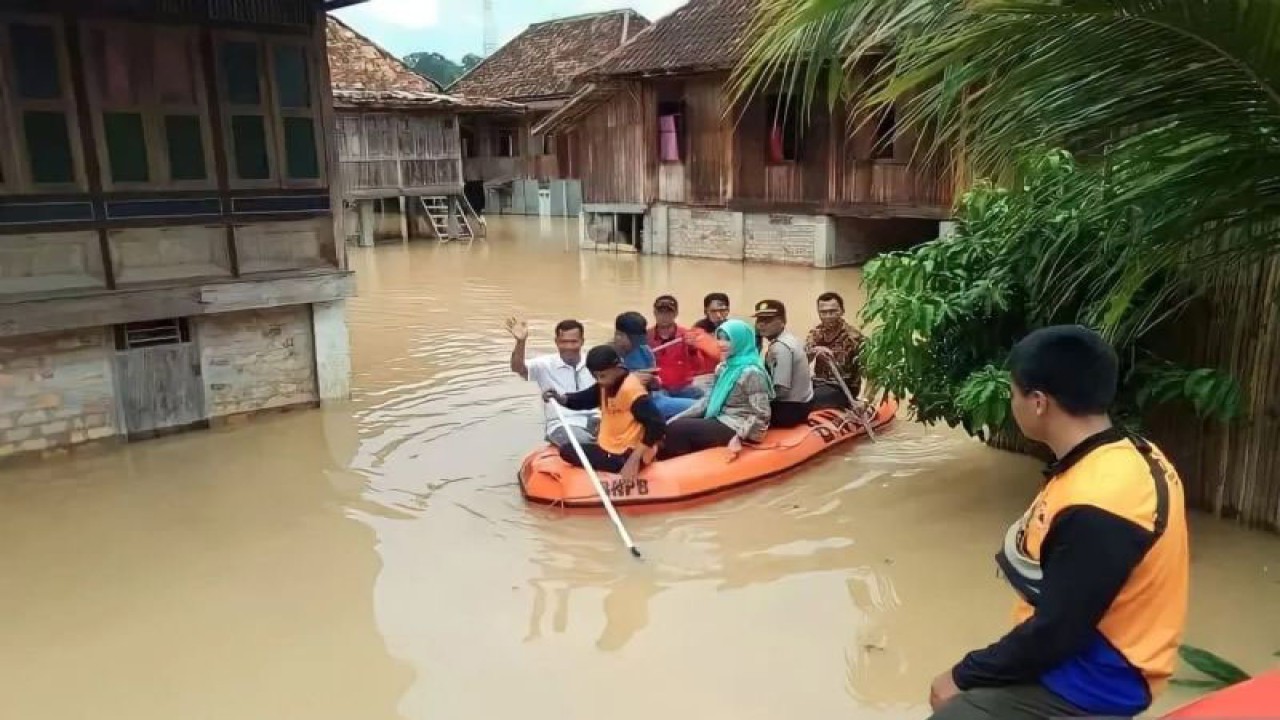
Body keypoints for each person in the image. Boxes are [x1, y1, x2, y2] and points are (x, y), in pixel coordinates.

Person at [927, 325, 1189, 720]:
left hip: (1100, 677)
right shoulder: (1132, 451)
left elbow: (1055, 634)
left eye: (1012, 393)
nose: (1011, 403)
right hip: (1101, 646)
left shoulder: (1100, 501)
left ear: (1037, 403)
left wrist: (962, 675)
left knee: (953, 709)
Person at [542, 345, 665, 484]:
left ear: (617, 367)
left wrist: (633, 461)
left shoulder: (632, 391)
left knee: (567, 451)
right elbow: (585, 398)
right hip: (613, 445)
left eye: (602, 376)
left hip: (627, 453)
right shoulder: (607, 383)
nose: (600, 381)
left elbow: (658, 425)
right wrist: (560, 398)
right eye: (596, 377)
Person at [659, 319, 773, 459]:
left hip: (738, 424)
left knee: (678, 430)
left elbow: (762, 413)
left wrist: (740, 436)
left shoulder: (751, 372)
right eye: (719, 338)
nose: (722, 344)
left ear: (741, 341)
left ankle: (678, 468)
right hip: (721, 417)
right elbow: (708, 400)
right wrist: (673, 420)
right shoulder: (724, 367)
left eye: (728, 339)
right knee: (673, 425)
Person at [506, 316, 599, 447]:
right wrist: (520, 342)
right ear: (556, 342)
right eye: (564, 342)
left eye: (574, 342)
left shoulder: (596, 362)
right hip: (563, 423)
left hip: (597, 420)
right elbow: (517, 368)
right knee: (585, 444)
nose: (569, 347)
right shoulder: (544, 364)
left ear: (582, 341)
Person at [614, 311, 696, 420]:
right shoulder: (609, 356)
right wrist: (632, 379)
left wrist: (654, 381)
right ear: (619, 335)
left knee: (700, 403)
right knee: (696, 406)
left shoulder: (644, 350)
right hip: (633, 404)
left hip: (655, 396)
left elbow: (656, 383)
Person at [752, 299, 814, 428]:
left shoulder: (781, 347)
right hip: (800, 404)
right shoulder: (789, 339)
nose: (761, 325)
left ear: (782, 321)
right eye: (759, 320)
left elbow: (781, 390)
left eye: (767, 320)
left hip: (789, 410)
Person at [805, 292, 867, 411]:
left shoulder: (854, 338)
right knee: (793, 396)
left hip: (843, 388)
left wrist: (865, 400)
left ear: (842, 311)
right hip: (818, 383)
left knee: (811, 399)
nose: (828, 316)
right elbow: (803, 361)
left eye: (833, 311)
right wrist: (814, 351)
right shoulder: (816, 333)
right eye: (823, 312)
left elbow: (872, 373)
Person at [649, 294, 720, 398]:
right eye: (660, 312)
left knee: (706, 397)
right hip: (659, 389)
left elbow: (698, 367)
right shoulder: (646, 337)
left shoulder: (687, 335)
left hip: (683, 388)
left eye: (668, 312)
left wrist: (693, 349)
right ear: (654, 313)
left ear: (676, 314)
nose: (664, 316)